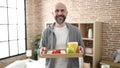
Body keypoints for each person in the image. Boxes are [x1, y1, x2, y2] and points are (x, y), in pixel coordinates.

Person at [39, 2, 85, 68]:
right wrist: (41, 50)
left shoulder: (76, 31)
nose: (60, 13)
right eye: (57, 11)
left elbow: (83, 52)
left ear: (66, 13)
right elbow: (40, 51)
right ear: (53, 13)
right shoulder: (46, 32)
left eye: (62, 10)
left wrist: (81, 49)